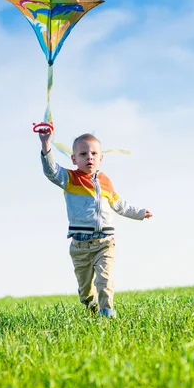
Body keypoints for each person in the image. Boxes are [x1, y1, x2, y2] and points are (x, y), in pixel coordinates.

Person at [39, 130, 152, 317]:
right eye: (83, 154)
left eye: (93, 154)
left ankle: (107, 314)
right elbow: (51, 171)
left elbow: (120, 205)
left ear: (101, 158)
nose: (89, 158)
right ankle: (91, 308)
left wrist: (139, 213)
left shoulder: (105, 182)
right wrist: (45, 144)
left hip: (105, 243)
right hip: (80, 246)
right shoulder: (70, 179)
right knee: (86, 292)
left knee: (104, 281)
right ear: (74, 159)